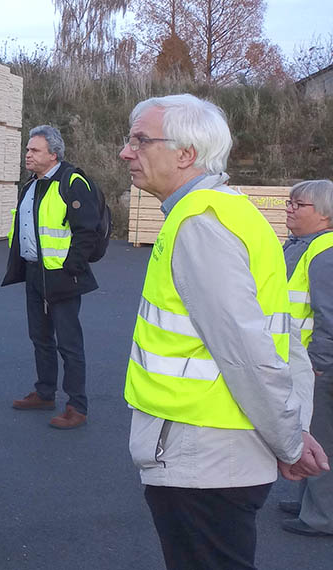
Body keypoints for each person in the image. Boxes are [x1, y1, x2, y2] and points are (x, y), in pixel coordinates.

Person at [119, 94, 329, 569]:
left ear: (186, 154)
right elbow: (284, 336)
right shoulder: (232, 213)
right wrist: (292, 427)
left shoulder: (200, 226)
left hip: (202, 457)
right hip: (220, 452)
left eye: (140, 140)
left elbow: (247, 350)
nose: (126, 152)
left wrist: (291, 441)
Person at [3, 125, 103, 429]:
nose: (27, 155)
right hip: (34, 273)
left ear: (54, 154)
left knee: (69, 343)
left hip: (62, 276)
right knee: (40, 337)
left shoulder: (72, 182)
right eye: (27, 149)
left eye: (34, 150)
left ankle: (77, 406)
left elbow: (88, 231)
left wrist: (71, 268)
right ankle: (45, 392)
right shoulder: (31, 186)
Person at [278, 179, 333, 537]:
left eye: (301, 205)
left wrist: (320, 364)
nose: (290, 209)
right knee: (309, 430)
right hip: (305, 360)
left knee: (323, 437)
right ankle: (308, 499)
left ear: (326, 215)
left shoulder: (324, 254)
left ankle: (322, 516)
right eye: (290, 202)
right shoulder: (302, 246)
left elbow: (329, 315)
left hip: (318, 365)